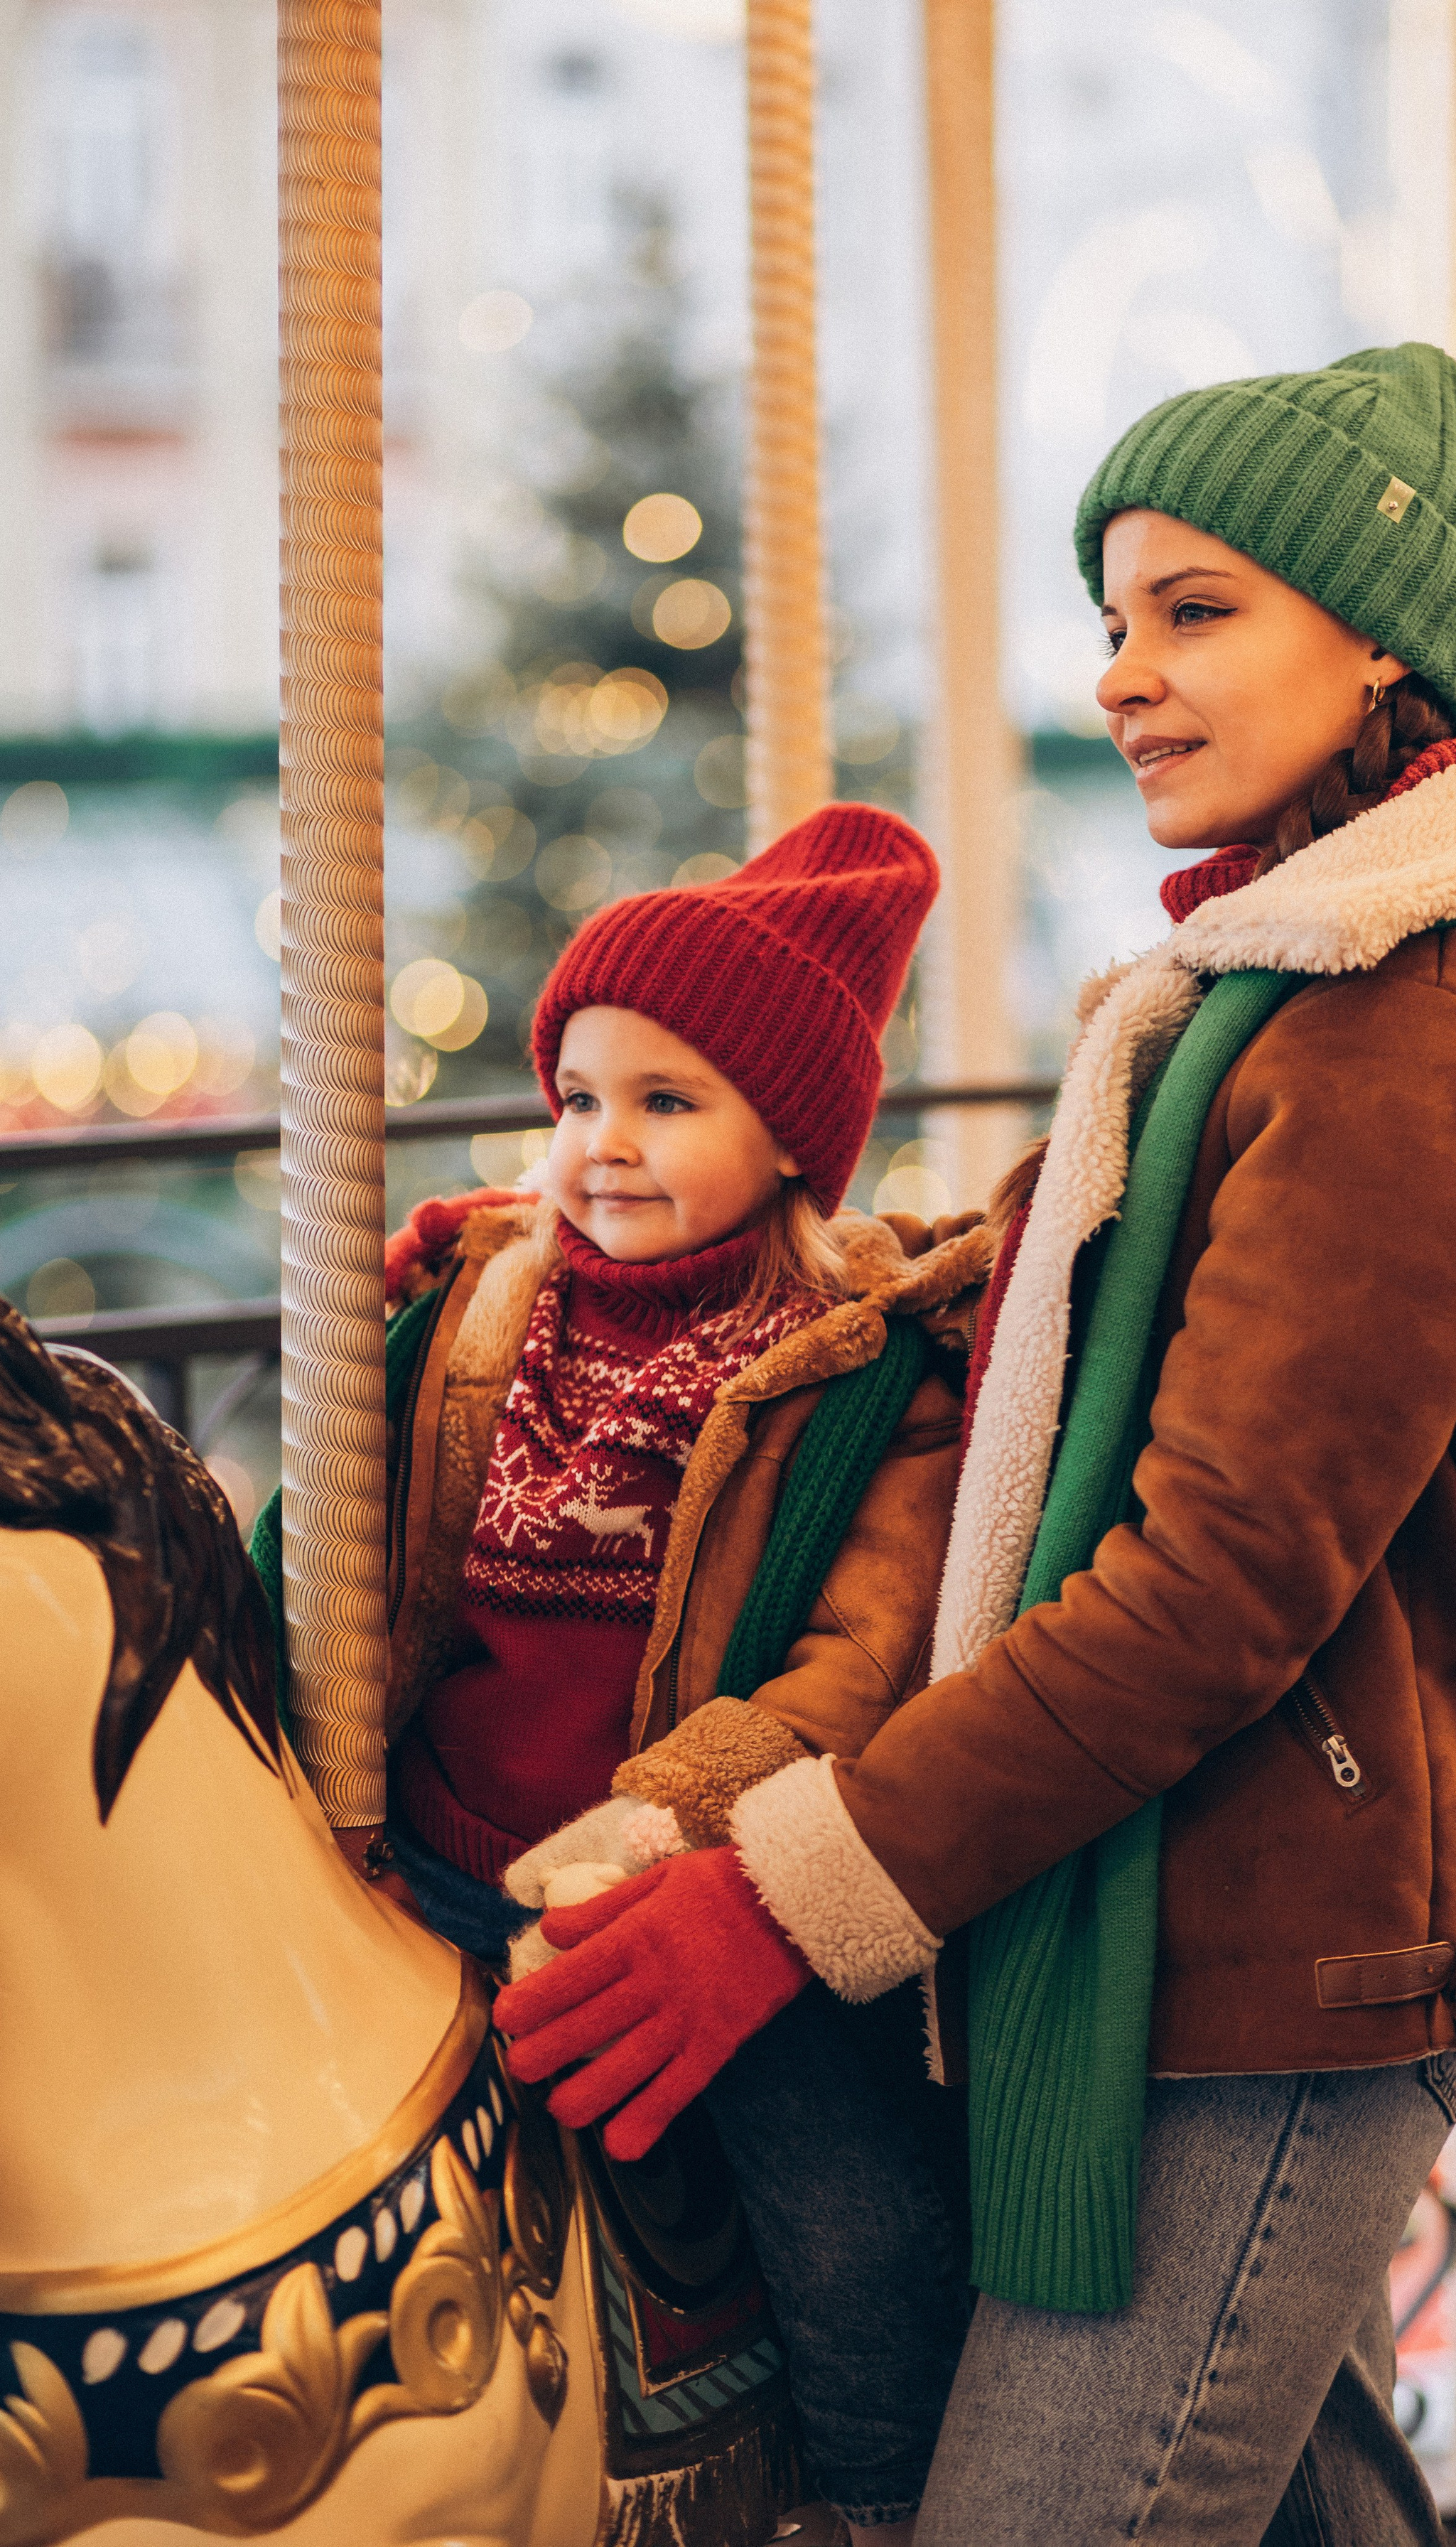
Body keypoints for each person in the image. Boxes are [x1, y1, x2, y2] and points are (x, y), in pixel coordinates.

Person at [497, 343, 1456, 2544]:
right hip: (1173, 1894)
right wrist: (589, 1237)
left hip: (1290, 1929)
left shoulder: (1418, 1036)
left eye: (1194, 612)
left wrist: (787, 1896)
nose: (1123, 676)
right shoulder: (1267, 992)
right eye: (1112, 621)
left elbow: (1214, 1581)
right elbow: (1046, 1308)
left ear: (1381, 640)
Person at [255, 802, 989, 2543]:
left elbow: (853, 1667)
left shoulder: (859, 1377)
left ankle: (883, 2492)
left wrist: (657, 1825)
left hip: (678, 1890)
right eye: (580, 1098)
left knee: (848, 2208)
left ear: (791, 1138)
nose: (603, 1145)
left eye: (669, 1103)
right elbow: (333, 1548)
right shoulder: (486, 1314)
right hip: (425, 1846)